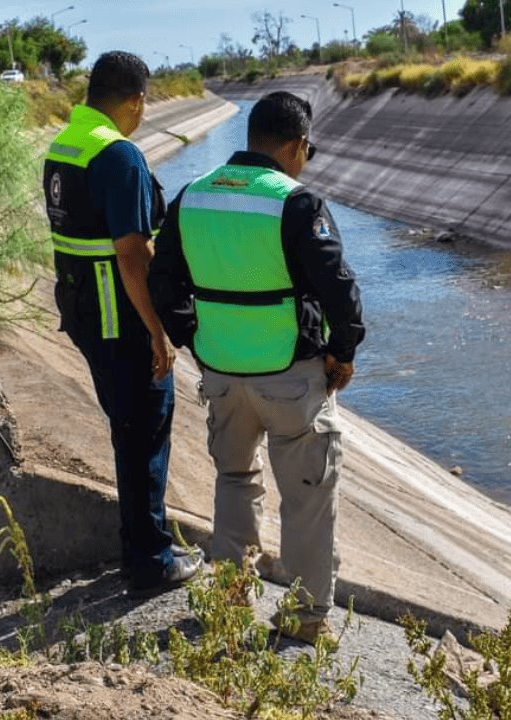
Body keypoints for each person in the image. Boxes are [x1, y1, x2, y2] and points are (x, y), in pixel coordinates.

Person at [149, 91, 365, 646]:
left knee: (234, 479)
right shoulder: (295, 203)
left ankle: (229, 597)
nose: (306, 159)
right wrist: (343, 352)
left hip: (221, 374)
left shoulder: (191, 197)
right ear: (295, 145)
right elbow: (340, 290)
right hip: (290, 378)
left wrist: (193, 337)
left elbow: (162, 283)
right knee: (308, 498)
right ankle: (304, 617)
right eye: (307, 150)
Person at [42, 50, 201, 593]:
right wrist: (160, 333)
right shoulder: (120, 156)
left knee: (127, 430)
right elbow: (132, 254)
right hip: (122, 320)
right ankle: (150, 561)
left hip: (85, 313)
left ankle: (141, 538)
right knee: (143, 434)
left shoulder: (63, 146)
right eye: (144, 103)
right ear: (135, 100)